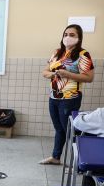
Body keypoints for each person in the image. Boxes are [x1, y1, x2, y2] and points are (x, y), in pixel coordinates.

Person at [39, 24, 94, 165]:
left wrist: (67, 74)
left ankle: (83, 161)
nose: (67, 37)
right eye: (65, 34)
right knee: (59, 128)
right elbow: (45, 72)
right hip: (54, 97)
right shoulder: (57, 53)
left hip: (70, 98)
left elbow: (89, 77)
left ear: (79, 38)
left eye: (72, 35)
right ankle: (56, 157)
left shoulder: (83, 55)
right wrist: (52, 74)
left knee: (70, 130)